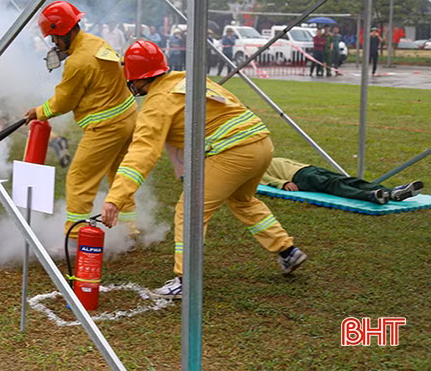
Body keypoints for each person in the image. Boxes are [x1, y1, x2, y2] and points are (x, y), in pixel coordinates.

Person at [101, 40, 306, 298]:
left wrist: (116, 198)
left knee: (189, 210)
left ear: (136, 77)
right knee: (243, 201)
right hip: (261, 142)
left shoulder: (156, 104)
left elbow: (141, 154)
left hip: (234, 151)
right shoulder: (188, 79)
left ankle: (185, 280)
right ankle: (287, 251)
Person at [24, 1, 138, 241]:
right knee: (119, 175)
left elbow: (64, 101)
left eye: (54, 38)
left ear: (64, 31)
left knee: (79, 179)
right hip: (128, 117)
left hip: (106, 127)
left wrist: (39, 112)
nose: (54, 44)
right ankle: (128, 230)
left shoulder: (77, 63)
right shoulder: (97, 42)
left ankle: (75, 237)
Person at [261, 157, 423, 204]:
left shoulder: (266, 156)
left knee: (349, 180)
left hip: (309, 169)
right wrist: (283, 184)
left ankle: (392, 192)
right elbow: (265, 179)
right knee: (336, 186)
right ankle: (370, 196)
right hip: (300, 178)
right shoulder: (253, 168)